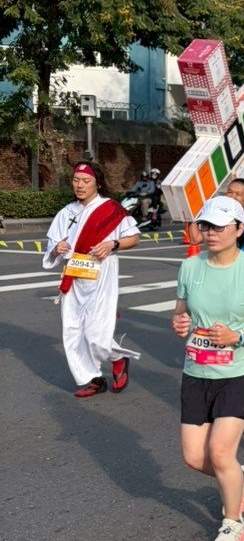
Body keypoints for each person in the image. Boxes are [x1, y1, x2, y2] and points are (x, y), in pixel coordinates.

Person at [171, 195, 244, 541]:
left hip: (239, 370)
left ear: (239, 229)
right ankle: (242, 475)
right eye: (205, 225)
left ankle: (233, 522)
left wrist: (239, 336)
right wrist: (180, 323)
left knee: (219, 453)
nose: (210, 232)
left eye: (219, 226)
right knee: (192, 457)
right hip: (197, 370)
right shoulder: (190, 268)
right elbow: (180, 315)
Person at [43, 161, 142, 396]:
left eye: (85, 181)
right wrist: (57, 248)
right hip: (74, 274)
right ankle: (93, 379)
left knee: (96, 332)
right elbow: (52, 246)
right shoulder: (66, 212)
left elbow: (134, 237)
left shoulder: (110, 209)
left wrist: (112, 244)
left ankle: (118, 358)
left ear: (97, 182)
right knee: (73, 330)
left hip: (102, 273)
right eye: (76, 180)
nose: (80, 185)